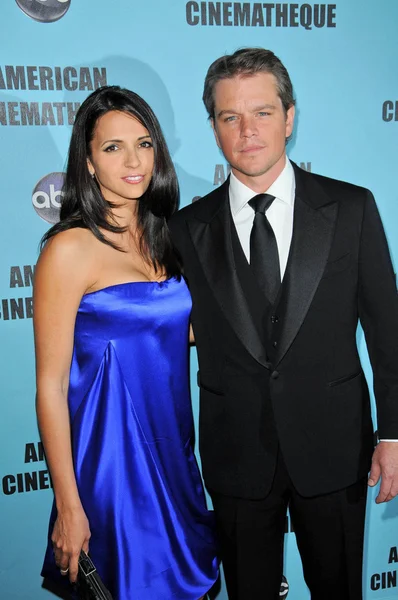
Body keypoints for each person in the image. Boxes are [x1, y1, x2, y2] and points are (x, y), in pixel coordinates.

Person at [169, 48, 398, 599]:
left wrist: (392, 433)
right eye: (230, 117)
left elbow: (388, 334)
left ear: (290, 117)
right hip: (235, 457)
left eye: (263, 112)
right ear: (215, 127)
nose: (247, 130)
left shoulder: (352, 209)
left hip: (336, 451)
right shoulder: (184, 229)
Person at [34, 85, 218, 600]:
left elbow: (178, 334)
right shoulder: (70, 249)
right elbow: (49, 388)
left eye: (144, 143)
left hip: (176, 459)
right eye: (112, 147)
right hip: (110, 473)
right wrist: (69, 505)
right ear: (88, 162)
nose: (133, 161)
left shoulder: (168, 238)